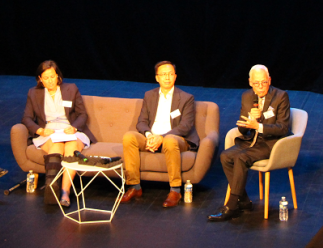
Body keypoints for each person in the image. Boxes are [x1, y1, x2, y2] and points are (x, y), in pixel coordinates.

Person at [208, 64, 290, 221]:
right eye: (256, 83)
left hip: (271, 143)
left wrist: (259, 125)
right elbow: (242, 129)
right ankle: (244, 201)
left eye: (264, 82)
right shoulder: (247, 96)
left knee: (241, 158)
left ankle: (231, 206)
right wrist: (249, 121)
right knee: (225, 156)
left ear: (269, 80)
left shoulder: (280, 96)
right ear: (250, 83)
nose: (260, 87)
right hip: (250, 140)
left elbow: (283, 128)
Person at [122, 60, 199, 208]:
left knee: (169, 140)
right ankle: (134, 187)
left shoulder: (186, 98)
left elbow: (185, 126)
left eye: (170, 74)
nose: (167, 77)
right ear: (157, 78)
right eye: (163, 74)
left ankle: (175, 190)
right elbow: (141, 122)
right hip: (152, 137)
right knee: (129, 137)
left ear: (175, 76)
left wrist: (161, 138)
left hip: (176, 138)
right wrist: (150, 135)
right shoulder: (149, 95)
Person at [22, 60, 96, 206]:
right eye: (46, 78)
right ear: (40, 79)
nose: (50, 81)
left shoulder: (71, 89)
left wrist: (74, 127)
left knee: (72, 147)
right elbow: (26, 118)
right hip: (49, 132)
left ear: (58, 76)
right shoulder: (34, 93)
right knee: (56, 147)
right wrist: (39, 130)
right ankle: (52, 186)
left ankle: (65, 192)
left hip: (69, 129)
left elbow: (82, 115)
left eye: (52, 77)